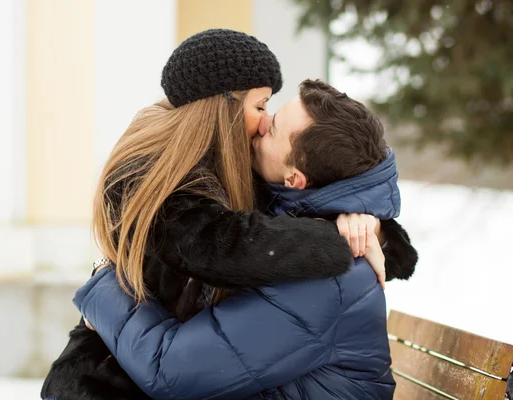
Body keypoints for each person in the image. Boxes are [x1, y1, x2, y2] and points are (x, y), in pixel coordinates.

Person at [42, 29, 416, 400]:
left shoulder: (323, 272)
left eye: (272, 123)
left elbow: (171, 371)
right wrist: (356, 230)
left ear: (295, 178)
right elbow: (222, 240)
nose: (263, 123)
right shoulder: (223, 192)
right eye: (263, 107)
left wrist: (105, 285)